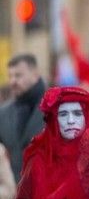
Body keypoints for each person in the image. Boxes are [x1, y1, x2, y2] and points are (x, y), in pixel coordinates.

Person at [0, 54, 47, 182]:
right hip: (14, 196)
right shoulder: (3, 113)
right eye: (10, 76)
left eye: (18, 75)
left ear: (35, 74)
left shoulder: (56, 109)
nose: (12, 81)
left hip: (48, 193)